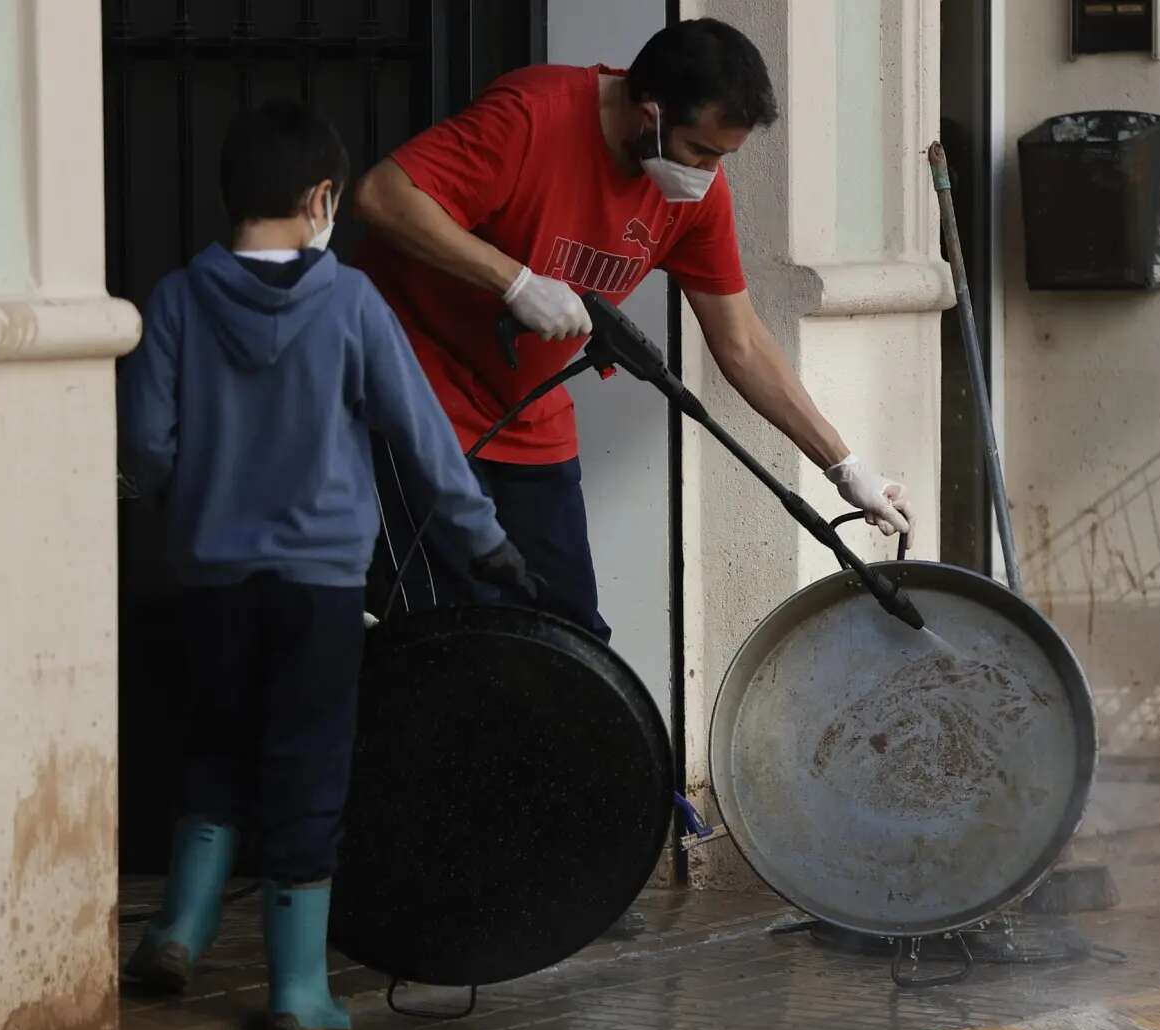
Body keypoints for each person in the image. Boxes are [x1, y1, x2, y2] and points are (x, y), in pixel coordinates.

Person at [116, 100, 537, 1030]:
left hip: (210, 578)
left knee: (214, 747)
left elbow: (144, 441)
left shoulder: (179, 298)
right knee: (306, 768)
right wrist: (483, 540)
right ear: (321, 199)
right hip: (318, 588)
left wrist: (165, 493)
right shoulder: (350, 302)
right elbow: (421, 436)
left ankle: (176, 932)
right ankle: (298, 989)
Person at [352, 17, 912, 637]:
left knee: (570, 638)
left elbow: (742, 340)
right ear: (648, 113)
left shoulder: (694, 195)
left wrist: (846, 466)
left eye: (723, 158)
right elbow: (383, 195)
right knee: (450, 630)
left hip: (526, 414)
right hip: (414, 396)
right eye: (700, 151)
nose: (708, 173)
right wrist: (513, 281)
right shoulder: (532, 117)